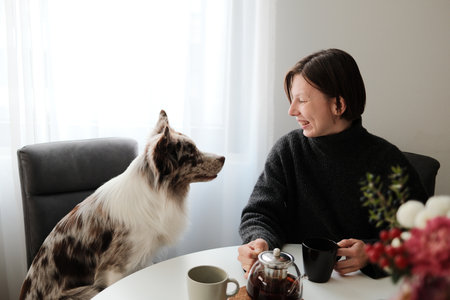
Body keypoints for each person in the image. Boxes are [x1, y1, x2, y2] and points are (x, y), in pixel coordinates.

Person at [238, 48, 428, 279]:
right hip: (297, 282)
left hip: (364, 288)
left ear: (338, 104)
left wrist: (371, 253)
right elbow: (259, 212)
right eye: (292, 100)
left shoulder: (388, 162)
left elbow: (421, 238)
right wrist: (259, 240)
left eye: (302, 100)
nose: (291, 110)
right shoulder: (288, 150)